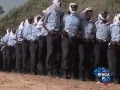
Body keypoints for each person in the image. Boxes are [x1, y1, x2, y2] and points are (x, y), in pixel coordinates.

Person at [41, 0, 63, 77]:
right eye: (60, 3)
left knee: (57, 53)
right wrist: (48, 31)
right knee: (50, 52)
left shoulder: (60, 13)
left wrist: (60, 32)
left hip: (58, 34)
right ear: (56, 4)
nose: (61, 4)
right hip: (50, 34)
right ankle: (49, 70)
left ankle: (57, 71)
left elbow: (61, 24)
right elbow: (42, 23)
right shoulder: (48, 12)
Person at [62, 3, 80, 79]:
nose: (74, 8)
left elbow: (80, 28)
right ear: (70, 7)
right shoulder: (65, 17)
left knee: (73, 56)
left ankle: (72, 73)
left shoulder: (78, 18)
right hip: (66, 38)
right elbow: (61, 26)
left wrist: (79, 33)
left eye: (75, 7)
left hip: (74, 38)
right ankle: (64, 72)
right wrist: (63, 31)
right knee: (66, 55)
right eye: (73, 7)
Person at [79, 7, 95, 81]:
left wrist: (92, 37)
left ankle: (87, 75)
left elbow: (94, 32)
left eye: (91, 12)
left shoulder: (93, 22)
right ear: (85, 13)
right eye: (88, 12)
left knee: (88, 59)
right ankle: (81, 75)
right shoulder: (81, 21)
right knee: (82, 58)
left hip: (89, 42)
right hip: (82, 42)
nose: (90, 13)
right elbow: (78, 29)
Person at [108, 14, 120, 84]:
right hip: (113, 46)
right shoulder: (111, 26)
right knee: (114, 62)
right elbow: (108, 35)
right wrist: (111, 41)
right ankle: (114, 78)